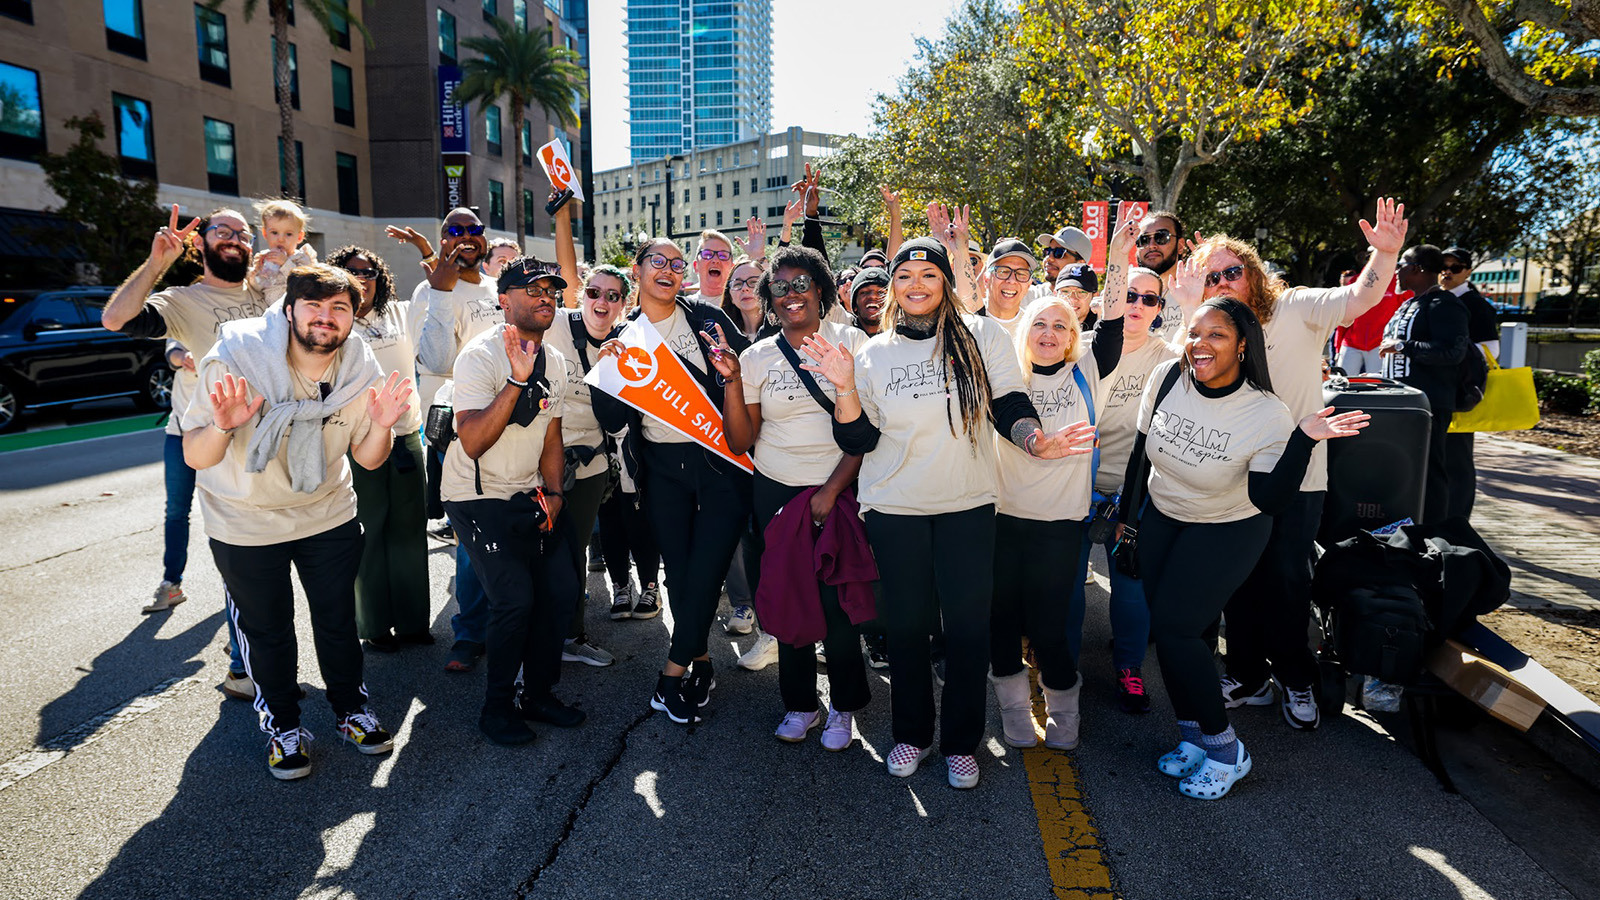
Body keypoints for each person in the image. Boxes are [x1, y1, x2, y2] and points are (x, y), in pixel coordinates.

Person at [800, 236, 1097, 789]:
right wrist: (844, 387)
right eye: (905, 276)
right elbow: (858, 437)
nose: (917, 284)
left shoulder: (983, 335)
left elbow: (1009, 402)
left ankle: (962, 743)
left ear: (946, 282)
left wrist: (1033, 440)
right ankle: (912, 735)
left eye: (929, 275)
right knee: (907, 629)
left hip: (968, 506)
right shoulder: (873, 353)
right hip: (895, 508)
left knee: (966, 630)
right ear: (894, 286)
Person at [1170, 197, 1407, 732]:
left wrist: (1385, 255)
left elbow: (1358, 298)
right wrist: (1187, 310)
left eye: (1232, 271)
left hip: (1298, 479)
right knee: (1237, 583)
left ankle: (1296, 678)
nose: (1223, 282)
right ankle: (1248, 676)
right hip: (1232, 477)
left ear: (1252, 273)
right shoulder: (1205, 329)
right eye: (1211, 277)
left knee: (1285, 582)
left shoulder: (1296, 308)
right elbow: (1182, 377)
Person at [1122, 297, 1367, 799]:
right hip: (1165, 514)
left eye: (1216, 334)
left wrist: (1302, 440)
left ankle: (1226, 750)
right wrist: (1128, 525)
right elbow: (1138, 457)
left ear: (1241, 345)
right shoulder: (1167, 378)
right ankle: (1192, 736)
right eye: (1194, 333)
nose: (1200, 344)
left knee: (1179, 631)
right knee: (1167, 633)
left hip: (1228, 526)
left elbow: (1269, 499)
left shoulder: (1266, 412)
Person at [184, 264, 413, 780]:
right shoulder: (236, 358)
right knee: (267, 632)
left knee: (337, 622)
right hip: (246, 519)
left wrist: (381, 426)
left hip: (327, 512)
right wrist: (223, 427)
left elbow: (369, 458)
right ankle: (283, 728)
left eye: (339, 308)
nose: (325, 317)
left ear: (353, 317)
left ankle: (351, 712)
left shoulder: (360, 367)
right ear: (289, 310)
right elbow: (196, 455)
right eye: (313, 304)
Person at [710, 245, 873, 749]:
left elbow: (868, 432)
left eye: (801, 283)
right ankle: (801, 705)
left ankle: (844, 707)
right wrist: (732, 382)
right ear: (769, 298)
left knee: (838, 605)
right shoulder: (756, 356)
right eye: (779, 287)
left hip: (841, 489)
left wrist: (831, 490)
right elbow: (741, 440)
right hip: (776, 493)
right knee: (788, 600)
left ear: (820, 289)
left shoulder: (854, 343)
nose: (791, 294)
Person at [103, 205, 266, 699]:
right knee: (226, 544)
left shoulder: (267, 293)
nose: (234, 238)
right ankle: (240, 663)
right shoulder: (182, 299)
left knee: (263, 559)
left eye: (242, 232)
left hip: (263, 441)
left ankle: (250, 656)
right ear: (201, 243)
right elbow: (116, 319)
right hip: (203, 439)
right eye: (222, 231)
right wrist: (158, 262)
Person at [592, 238, 752, 725]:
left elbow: (745, 373)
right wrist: (607, 370)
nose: (668, 270)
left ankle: (669, 677)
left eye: (677, 264)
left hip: (720, 461)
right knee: (679, 575)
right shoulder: (624, 334)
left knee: (707, 570)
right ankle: (701, 663)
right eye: (657, 262)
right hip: (661, 468)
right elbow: (610, 418)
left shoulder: (706, 318)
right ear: (637, 271)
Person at [441, 257, 585, 744]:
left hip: (531, 492)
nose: (546, 297)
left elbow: (552, 435)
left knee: (560, 592)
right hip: (477, 496)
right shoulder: (479, 356)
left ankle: (537, 695)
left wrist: (556, 493)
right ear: (504, 301)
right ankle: (496, 709)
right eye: (533, 289)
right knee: (514, 600)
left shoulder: (556, 360)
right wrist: (517, 381)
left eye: (551, 290)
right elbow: (472, 441)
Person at [990, 283, 1127, 752]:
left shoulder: (1087, 372)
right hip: (1002, 519)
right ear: (1025, 332)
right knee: (1002, 623)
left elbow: (1112, 324)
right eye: (1039, 324)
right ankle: (1013, 710)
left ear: (1072, 337)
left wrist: (1120, 255)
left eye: (1060, 326)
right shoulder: (1008, 378)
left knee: (1050, 628)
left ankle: (1064, 710)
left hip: (1061, 525)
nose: (1049, 333)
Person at [1070, 265, 1177, 714]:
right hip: (1072, 485)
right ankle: (1063, 670)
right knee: (1068, 585)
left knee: (1131, 587)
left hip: (1131, 493)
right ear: (1107, 300)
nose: (1137, 305)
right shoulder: (1075, 347)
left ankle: (1129, 668)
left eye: (1149, 298)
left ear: (1159, 309)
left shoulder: (1170, 360)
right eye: (1129, 294)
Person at [325, 246, 431, 653]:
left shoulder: (398, 313)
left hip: (405, 437)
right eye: (351, 271)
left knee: (409, 533)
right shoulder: (334, 322)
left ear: (379, 277)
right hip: (357, 441)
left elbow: (437, 293)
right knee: (368, 533)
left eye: (368, 271)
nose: (361, 278)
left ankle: (412, 623)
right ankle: (373, 625)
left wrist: (430, 253)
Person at [413, 208, 500, 673]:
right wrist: (442, 294)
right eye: (455, 230)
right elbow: (435, 360)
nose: (466, 237)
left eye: (474, 230)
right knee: (471, 540)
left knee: (510, 529)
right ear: (442, 239)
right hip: (460, 430)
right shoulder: (428, 291)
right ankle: (469, 635)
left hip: (512, 422)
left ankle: (511, 622)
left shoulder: (498, 288)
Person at [544, 200, 626, 667]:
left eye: (613, 296)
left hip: (590, 463)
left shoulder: (627, 346)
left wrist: (613, 372)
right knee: (535, 549)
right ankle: (529, 635)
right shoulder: (555, 324)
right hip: (538, 457)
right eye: (594, 291)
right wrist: (562, 216)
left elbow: (617, 419)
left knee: (573, 551)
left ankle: (570, 636)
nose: (602, 301)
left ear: (624, 305)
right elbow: (566, 270)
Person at [1381, 245, 1470, 524]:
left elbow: (1453, 351)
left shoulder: (1443, 304)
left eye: (1401, 265)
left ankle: (1433, 532)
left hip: (1428, 406)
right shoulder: (1410, 302)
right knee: (1403, 469)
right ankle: (1405, 529)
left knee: (1429, 471)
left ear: (1417, 268)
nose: (1396, 272)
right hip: (1401, 406)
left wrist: (1403, 346)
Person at [1440, 246, 1499, 519]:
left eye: (1455, 267)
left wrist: (1452, 355)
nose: (1447, 272)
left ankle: (1457, 521)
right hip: (1444, 389)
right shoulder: (1439, 299)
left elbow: (1491, 349)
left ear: (1468, 272)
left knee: (1458, 459)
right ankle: (1444, 517)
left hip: (1462, 392)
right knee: (1444, 457)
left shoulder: (1475, 304)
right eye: (1443, 266)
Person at [1332, 268, 1408, 375]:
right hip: (1351, 343)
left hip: (1380, 344)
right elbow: (1344, 314)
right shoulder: (1355, 280)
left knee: (1377, 382)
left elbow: (1405, 312)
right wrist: (1338, 347)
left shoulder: (1397, 281)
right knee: (1343, 380)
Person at [248, 199, 319, 305]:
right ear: (265, 233)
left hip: (295, 307)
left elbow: (305, 283)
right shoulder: (265, 257)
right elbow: (257, 287)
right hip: (270, 309)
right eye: (274, 233)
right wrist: (256, 273)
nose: (281, 239)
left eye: (288, 234)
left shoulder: (301, 258)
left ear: (299, 237)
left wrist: (285, 263)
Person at [975, 238, 1039, 340]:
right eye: (1003, 271)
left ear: (1028, 285)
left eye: (1021, 274)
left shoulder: (1034, 329)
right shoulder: (967, 318)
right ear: (986, 280)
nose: (1012, 280)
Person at [1034, 225, 1093, 300]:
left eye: (1059, 253)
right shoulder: (1026, 296)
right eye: (1048, 251)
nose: (1049, 258)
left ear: (1080, 264)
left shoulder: (1091, 303)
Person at [720, 255, 768, 344]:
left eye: (753, 282)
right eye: (738, 284)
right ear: (730, 297)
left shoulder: (785, 331)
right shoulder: (722, 337)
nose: (744, 288)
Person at [687, 230, 736, 305]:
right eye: (707, 254)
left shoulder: (741, 305)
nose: (715, 260)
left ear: (732, 268)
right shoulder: (685, 306)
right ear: (696, 266)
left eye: (722, 256)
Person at [1055, 263, 1099, 333]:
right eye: (1065, 291)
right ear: (1055, 295)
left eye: (1081, 292)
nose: (1073, 299)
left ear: (1095, 296)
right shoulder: (1043, 324)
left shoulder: (1104, 329)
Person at [847, 268, 889, 336]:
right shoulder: (844, 336)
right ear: (855, 305)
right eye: (864, 292)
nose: (873, 296)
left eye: (881, 292)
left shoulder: (901, 338)